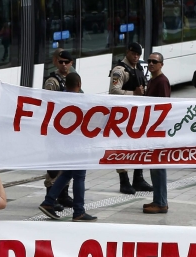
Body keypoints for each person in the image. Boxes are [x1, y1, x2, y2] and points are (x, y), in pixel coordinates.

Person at [38, 72, 97, 223]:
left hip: (62, 144)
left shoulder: (60, 98)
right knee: (79, 177)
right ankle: (78, 211)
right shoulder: (81, 101)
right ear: (79, 85)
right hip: (77, 145)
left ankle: (49, 202)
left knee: (67, 173)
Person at [109, 42, 152, 194]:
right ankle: (124, 181)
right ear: (128, 52)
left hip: (137, 115)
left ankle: (138, 178)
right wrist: (134, 93)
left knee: (139, 145)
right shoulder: (120, 70)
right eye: (133, 54)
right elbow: (114, 91)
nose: (136, 57)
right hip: (122, 116)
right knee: (122, 147)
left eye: (138, 55)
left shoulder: (138, 68)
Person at [41, 49, 74, 207]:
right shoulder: (52, 82)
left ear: (71, 63)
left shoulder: (72, 79)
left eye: (66, 62)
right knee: (54, 164)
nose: (63, 65)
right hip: (55, 128)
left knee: (67, 162)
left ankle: (64, 194)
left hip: (69, 129)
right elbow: (48, 104)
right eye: (60, 62)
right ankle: (50, 194)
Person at [141, 53, 172, 213]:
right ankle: (157, 199)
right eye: (149, 61)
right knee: (154, 166)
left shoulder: (162, 81)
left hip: (158, 130)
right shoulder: (153, 80)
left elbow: (163, 106)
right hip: (151, 129)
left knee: (158, 166)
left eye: (155, 61)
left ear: (161, 64)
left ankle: (161, 202)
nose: (151, 64)